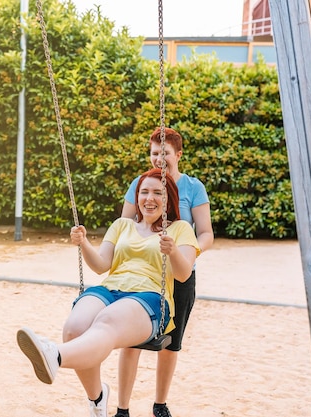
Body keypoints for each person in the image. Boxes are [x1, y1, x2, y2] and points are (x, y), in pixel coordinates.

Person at [16, 168, 200, 417]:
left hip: (148, 297)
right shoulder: (122, 225)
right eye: (144, 191)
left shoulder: (179, 229)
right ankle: (97, 397)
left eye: (158, 193)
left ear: (170, 199)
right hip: (110, 288)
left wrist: (174, 252)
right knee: (74, 328)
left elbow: (183, 274)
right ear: (137, 197)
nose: (149, 198)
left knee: (107, 321)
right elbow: (102, 265)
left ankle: (54, 354)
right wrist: (83, 243)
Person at [115, 127, 214, 417]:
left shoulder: (193, 187)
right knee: (131, 339)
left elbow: (206, 233)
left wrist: (187, 252)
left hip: (179, 273)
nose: (159, 159)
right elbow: (124, 225)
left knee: (171, 342)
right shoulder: (141, 183)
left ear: (178, 155)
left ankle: (160, 403)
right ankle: (122, 408)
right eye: (155, 153)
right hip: (143, 273)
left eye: (165, 153)